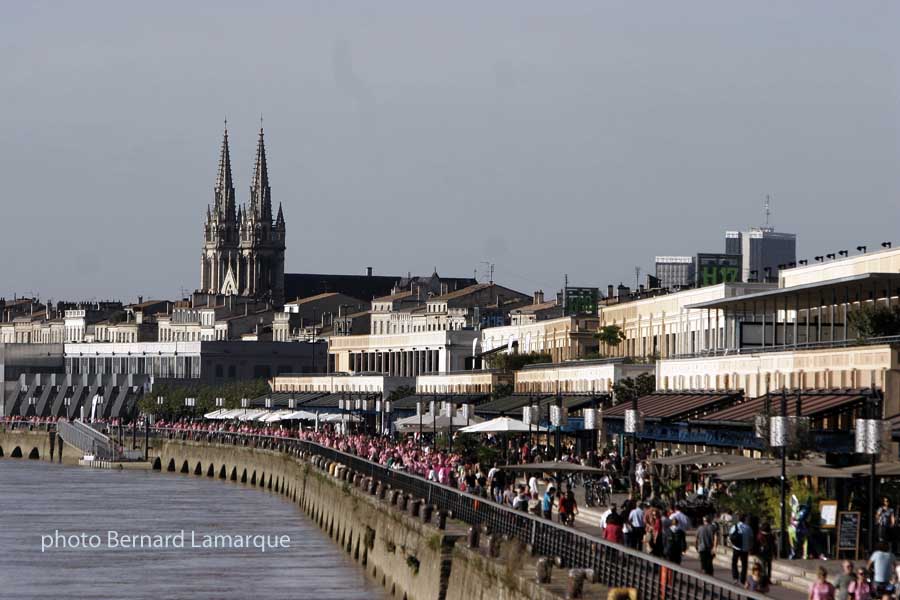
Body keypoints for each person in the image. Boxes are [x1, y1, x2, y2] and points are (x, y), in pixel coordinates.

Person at [729, 513, 752, 585]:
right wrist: (750, 547)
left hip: (736, 547)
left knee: (734, 563)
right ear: (745, 519)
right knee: (744, 564)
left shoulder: (734, 527)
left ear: (738, 519)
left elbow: (730, 536)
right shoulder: (748, 528)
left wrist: (731, 544)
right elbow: (751, 538)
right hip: (745, 549)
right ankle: (742, 579)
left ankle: (735, 577)